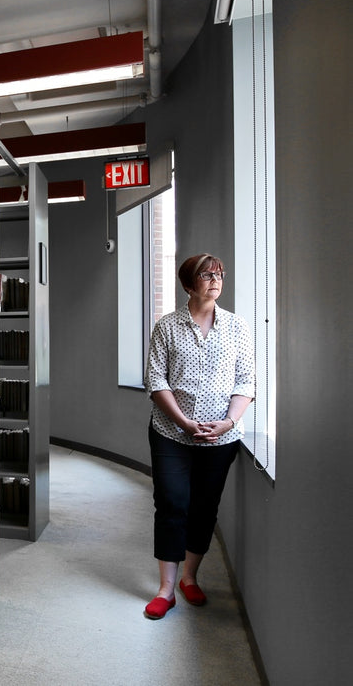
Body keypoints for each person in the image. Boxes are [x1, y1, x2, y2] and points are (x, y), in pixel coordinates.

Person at [142, 253, 255, 620]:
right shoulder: (167, 326)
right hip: (171, 433)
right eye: (206, 274)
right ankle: (166, 589)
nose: (215, 279)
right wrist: (184, 422)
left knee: (205, 507)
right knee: (172, 502)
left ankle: (190, 577)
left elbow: (245, 382)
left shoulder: (238, 327)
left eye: (219, 273)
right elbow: (156, 380)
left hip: (220, 439)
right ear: (189, 284)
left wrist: (228, 422)